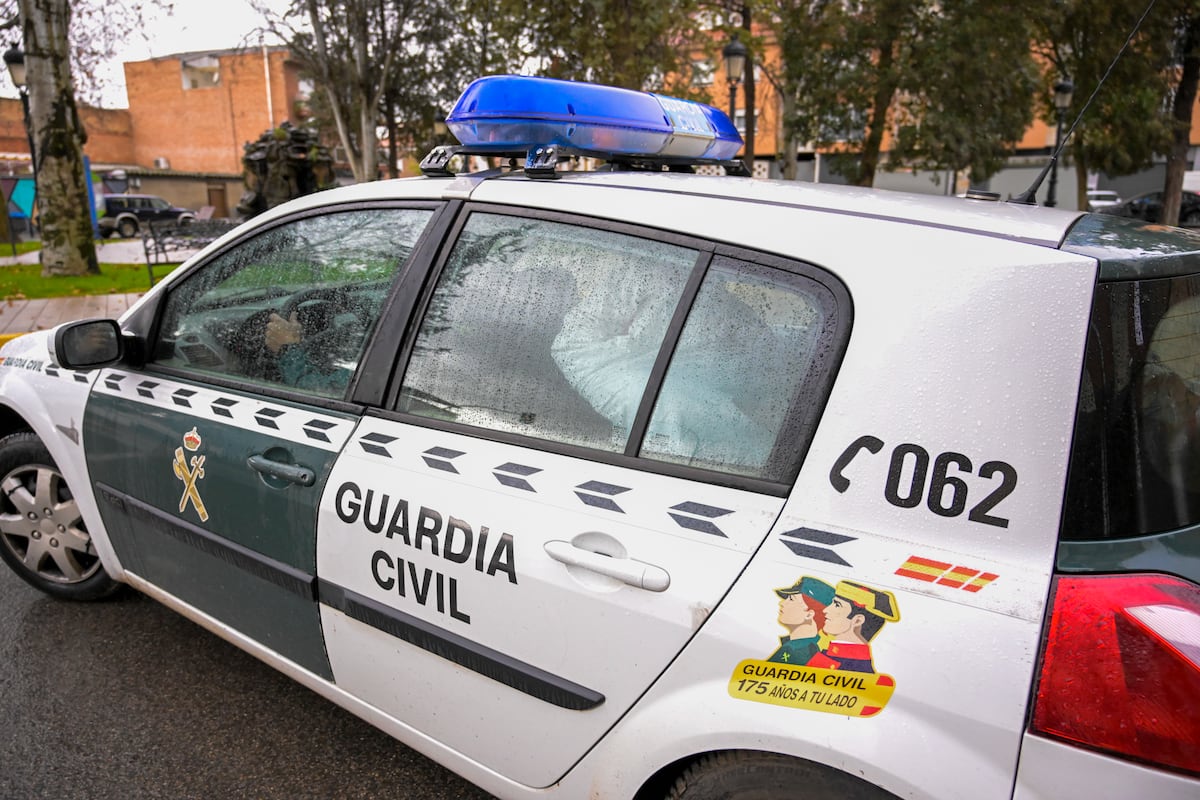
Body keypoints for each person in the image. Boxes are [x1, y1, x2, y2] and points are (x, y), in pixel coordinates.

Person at [806, 580, 900, 674]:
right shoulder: (828, 654)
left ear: (857, 621)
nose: (826, 610)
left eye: (837, 605)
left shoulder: (858, 668)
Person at [767, 576, 835, 664]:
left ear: (809, 614)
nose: (782, 603)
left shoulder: (794, 650)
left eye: (791, 599)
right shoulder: (808, 648)